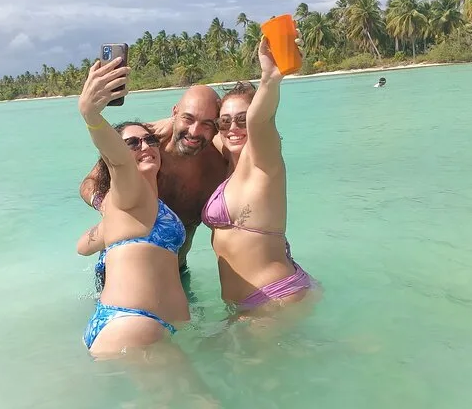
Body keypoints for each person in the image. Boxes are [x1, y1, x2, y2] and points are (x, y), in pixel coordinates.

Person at [76, 56, 190, 356]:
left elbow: (83, 246)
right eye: (132, 143)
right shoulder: (131, 189)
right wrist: (91, 115)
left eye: (150, 140)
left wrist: (109, 222)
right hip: (133, 324)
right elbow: (118, 161)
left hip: (127, 323)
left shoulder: (129, 206)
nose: (145, 146)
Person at [202, 36, 317, 316]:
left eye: (242, 119)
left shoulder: (263, 157)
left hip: (274, 297)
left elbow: (261, 121)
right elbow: (199, 132)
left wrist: (270, 79)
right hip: (254, 302)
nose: (233, 128)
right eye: (225, 121)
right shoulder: (230, 155)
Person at [79, 85, 229, 290]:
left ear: (216, 126)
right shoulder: (145, 148)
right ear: (175, 112)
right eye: (188, 118)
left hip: (176, 275)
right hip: (120, 278)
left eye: (207, 124)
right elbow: (90, 183)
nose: (194, 132)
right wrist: (106, 205)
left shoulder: (219, 165)